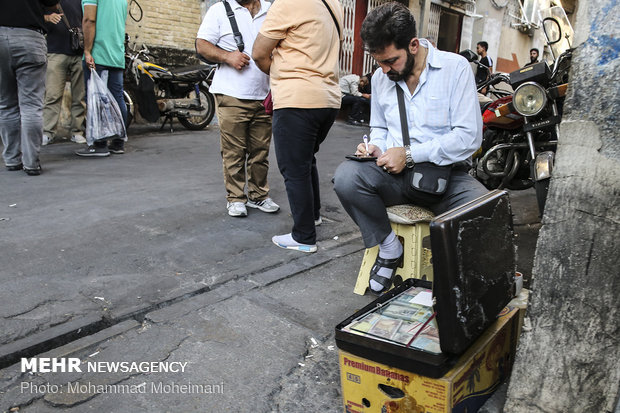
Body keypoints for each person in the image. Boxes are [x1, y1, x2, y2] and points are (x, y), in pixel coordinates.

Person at [333, 3, 488, 294]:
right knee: (347, 177)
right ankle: (389, 248)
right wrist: (374, 146)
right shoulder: (381, 79)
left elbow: (469, 138)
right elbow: (379, 126)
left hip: (448, 176)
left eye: (391, 61)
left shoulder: (454, 69)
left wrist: (410, 154)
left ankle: (456, 285)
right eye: (379, 62)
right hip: (395, 176)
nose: (384, 70)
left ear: (414, 45)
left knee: (485, 212)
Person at [253, 0, 343, 253]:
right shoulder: (334, 3)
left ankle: (304, 236)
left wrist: (284, 74)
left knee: (293, 168)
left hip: (297, 99)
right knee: (305, 160)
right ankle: (312, 216)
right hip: (328, 99)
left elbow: (259, 53)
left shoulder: (288, 2)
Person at [196, 0, 279, 218]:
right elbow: (202, 45)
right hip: (232, 93)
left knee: (260, 151)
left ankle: (258, 195)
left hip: (264, 94)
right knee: (234, 151)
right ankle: (235, 198)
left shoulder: (272, 10)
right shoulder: (219, 10)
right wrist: (227, 56)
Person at [0, 0, 59, 176]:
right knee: (31, 106)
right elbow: (52, 3)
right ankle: (31, 162)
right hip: (30, 37)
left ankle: (11, 159)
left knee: (5, 104)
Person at [75, 0, 127, 157]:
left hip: (99, 53)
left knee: (96, 98)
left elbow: (89, 19)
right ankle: (118, 143)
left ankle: (99, 144)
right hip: (116, 53)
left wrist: (87, 50)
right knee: (117, 98)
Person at [42, 0, 86, 146]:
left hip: (79, 51)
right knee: (52, 95)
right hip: (55, 50)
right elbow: (36, 16)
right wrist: (48, 17)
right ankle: (48, 132)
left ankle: (77, 131)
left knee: (79, 96)